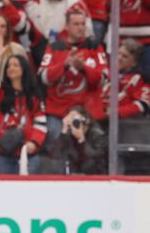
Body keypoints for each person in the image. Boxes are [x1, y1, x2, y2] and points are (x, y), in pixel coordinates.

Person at [38, 9, 107, 143]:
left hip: (88, 111)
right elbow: (43, 78)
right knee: (54, 140)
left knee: (98, 144)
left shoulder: (94, 46)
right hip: (58, 111)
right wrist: (64, 65)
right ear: (67, 27)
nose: (81, 27)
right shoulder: (54, 47)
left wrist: (83, 69)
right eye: (76, 24)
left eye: (83, 24)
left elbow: (102, 80)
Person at [0, 55, 47, 174]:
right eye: (8, 66)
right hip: (3, 155)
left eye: (15, 65)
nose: (11, 68)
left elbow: (40, 123)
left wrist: (34, 142)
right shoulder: (0, 92)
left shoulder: (34, 95)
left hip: (28, 154)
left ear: (24, 69)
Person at [46, 105, 107, 174]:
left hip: (94, 177)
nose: (74, 124)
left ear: (87, 120)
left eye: (76, 120)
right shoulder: (68, 136)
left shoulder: (98, 135)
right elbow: (54, 157)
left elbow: (94, 161)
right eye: (71, 120)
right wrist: (63, 132)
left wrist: (81, 140)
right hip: (72, 175)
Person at [117, 0, 150, 80]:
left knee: (147, 77)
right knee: (124, 78)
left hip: (147, 43)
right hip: (125, 43)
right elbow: (111, 5)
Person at [105, 39, 149, 119]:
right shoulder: (105, 73)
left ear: (134, 62)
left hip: (125, 123)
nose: (119, 58)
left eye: (125, 56)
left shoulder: (140, 80)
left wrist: (115, 112)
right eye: (118, 54)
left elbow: (143, 104)